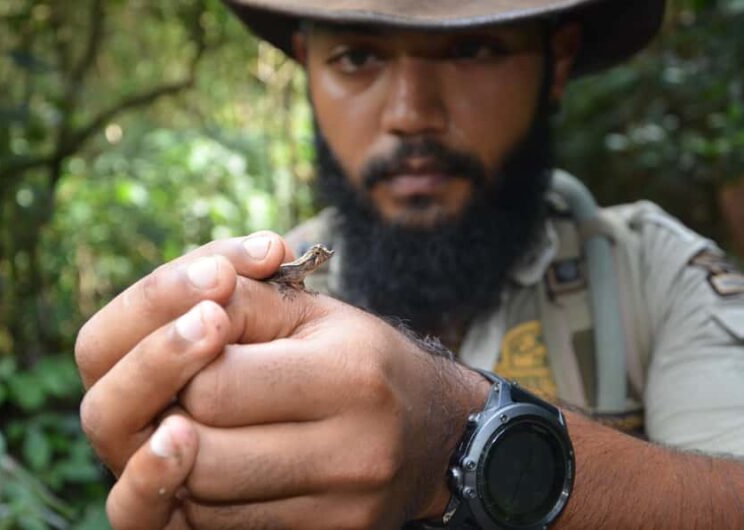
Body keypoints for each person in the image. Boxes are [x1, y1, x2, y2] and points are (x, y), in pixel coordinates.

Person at [75, 0, 744, 528]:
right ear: (308, 66)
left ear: (557, 59)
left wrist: (459, 438)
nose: (411, 115)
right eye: (358, 56)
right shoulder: (256, 294)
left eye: (473, 49)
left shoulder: (656, 271)